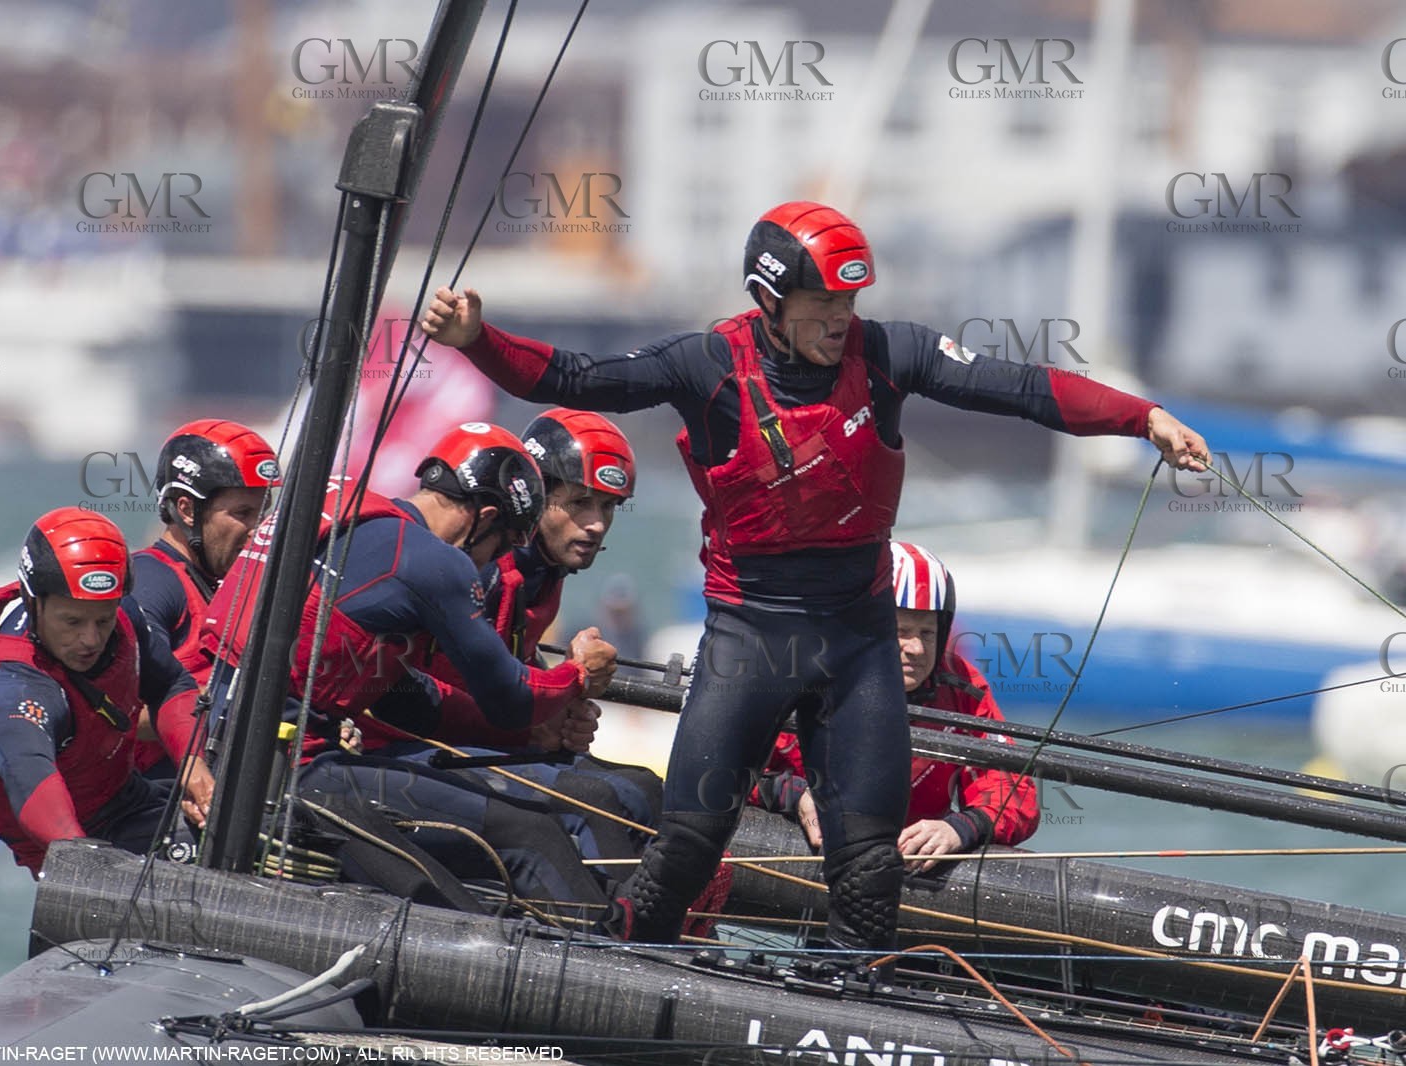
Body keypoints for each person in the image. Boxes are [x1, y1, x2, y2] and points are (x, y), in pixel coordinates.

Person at [422, 200, 1209, 955]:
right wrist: (476, 338)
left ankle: (845, 1007)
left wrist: (1143, 419)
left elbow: (1022, 389)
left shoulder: (888, 354)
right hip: (750, 636)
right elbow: (575, 378)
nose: (841, 318)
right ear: (770, 298)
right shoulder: (706, 367)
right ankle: (612, 971)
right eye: (823, 302)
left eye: (850, 300)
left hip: (856, 640)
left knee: (867, 863)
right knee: (692, 840)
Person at [202, 422, 619, 911]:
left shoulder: (341, 506)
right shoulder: (433, 561)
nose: (494, 563)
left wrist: (529, 735)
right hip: (301, 777)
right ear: (483, 518)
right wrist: (576, 674)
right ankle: (624, 965)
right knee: (530, 834)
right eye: (501, 545)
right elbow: (513, 700)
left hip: (226, 755)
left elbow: (410, 697)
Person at [367, 410, 666, 874]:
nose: (597, 524)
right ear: (536, 493)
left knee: (645, 788)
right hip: (401, 748)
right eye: (581, 503)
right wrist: (538, 719)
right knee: (599, 801)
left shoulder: (548, 570)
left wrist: (556, 712)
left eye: (608, 507)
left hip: (477, 741)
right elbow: (423, 697)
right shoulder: (484, 568)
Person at [0, 509, 212, 875]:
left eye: (103, 620)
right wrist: (86, 867)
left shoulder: (120, 612)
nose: (91, 639)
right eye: (72, 622)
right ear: (34, 603)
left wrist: (194, 766)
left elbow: (171, 684)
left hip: (128, 798)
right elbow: (34, 785)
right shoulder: (11, 690)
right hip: (64, 840)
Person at [753, 541, 1040, 872]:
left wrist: (962, 828)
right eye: (900, 631)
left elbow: (1012, 792)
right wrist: (796, 795)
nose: (916, 648)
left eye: (927, 633)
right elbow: (727, 770)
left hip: (909, 868)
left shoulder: (963, 687)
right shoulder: (798, 674)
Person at [131, 418, 282, 686]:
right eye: (243, 513)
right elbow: (129, 711)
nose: (257, 530)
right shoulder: (151, 582)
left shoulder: (230, 583)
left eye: (263, 513)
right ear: (187, 510)